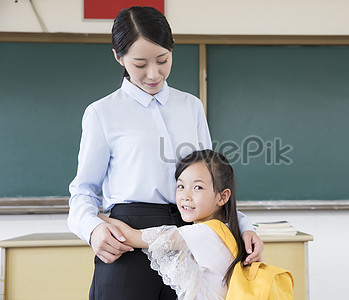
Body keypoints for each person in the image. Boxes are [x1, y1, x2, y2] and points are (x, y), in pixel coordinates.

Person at [67, 6, 263, 300]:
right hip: (128, 242)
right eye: (140, 63)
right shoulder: (102, 113)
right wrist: (93, 229)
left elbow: (211, 180)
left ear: (172, 49)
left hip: (188, 238)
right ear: (118, 57)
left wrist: (243, 226)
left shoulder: (191, 106)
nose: (153, 73)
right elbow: (83, 191)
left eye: (162, 60)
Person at [99, 150, 247, 300]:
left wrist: (94, 219)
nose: (186, 196)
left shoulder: (205, 234)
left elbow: (133, 237)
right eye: (181, 186)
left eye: (198, 187)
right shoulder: (226, 229)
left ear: (222, 197)